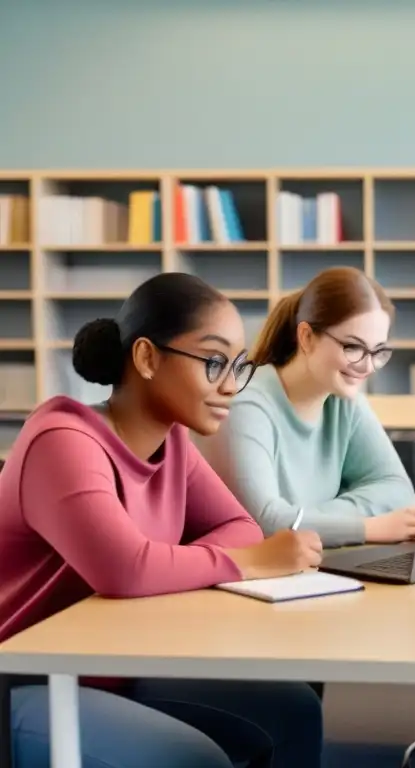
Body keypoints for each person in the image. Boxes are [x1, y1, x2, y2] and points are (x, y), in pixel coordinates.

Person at [0, 273, 325, 768]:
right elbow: (125, 569)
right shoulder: (62, 440)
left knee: (294, 710)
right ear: (148, 358)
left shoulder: (171, 444)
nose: (231, 386)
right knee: (191, 758)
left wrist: (172, 563)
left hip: (112, 661)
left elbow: (240, 528)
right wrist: (250, 563)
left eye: (238, 366)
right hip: (26, 678)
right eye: (214, 362)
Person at [206, 266, 415, 548]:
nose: (367, 366)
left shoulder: (345, 400)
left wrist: (303, 519)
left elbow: (396, 488)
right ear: (306, 337)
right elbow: (264, 523)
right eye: (353, 347)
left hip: (311, 563)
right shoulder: (245, 404)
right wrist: (365, 528)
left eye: (378, 351)